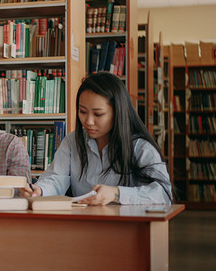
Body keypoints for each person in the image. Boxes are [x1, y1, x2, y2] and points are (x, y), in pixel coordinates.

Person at [20, 72, 172, 205]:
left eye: (98, 114)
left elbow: (163, 194)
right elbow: (56, 178)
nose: (88, 122)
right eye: (83, 111)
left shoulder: (140, 147)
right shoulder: (73, 142)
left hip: (126, 228)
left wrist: (116, 193)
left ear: (118, 112)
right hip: (83, 225)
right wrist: (39, 190)